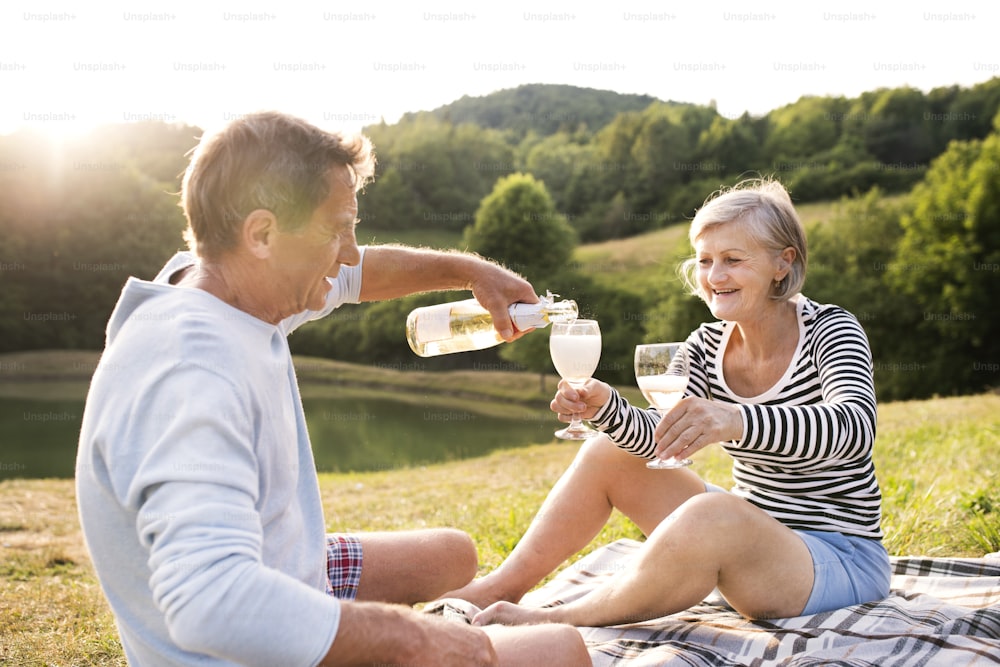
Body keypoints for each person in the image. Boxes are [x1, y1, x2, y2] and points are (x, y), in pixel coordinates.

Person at [75, 111, 589, 666]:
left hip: (278, 564)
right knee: (557, 650)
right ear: (263, 233)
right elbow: (210, 600)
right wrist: (412, 638)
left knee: (450, 556)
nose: (348, 250)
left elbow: (352, 275)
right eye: (336, 229)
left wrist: (470, 272)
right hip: (237, 645)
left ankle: (417, 619)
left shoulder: (216, 284)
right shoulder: (193, 368)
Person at [448, 178, 891, 628]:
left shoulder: (831, 328)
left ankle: (560, 619)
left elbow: (853, 429)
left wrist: (735, 419)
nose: (715, 276)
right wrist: (607, 408)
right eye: (705, 260)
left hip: (839, 558)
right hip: (751, 535)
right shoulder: (705, 344)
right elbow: (660, 441)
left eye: (733, 260)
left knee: (714, 513)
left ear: (783, 263)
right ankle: (502, 586)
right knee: (608, 451)